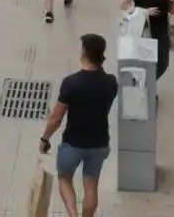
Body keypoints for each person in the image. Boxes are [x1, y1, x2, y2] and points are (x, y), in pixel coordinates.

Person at [39, 34, 118, 217]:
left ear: (84, 53)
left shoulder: (71, 83)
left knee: (64, 179)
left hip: (73, 143)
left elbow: (56, 118)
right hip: (99, 143)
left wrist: (45, 139)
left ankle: (73, 215)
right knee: (91, 184)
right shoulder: (111, 82)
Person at [121, 0, 173, 81]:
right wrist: (144, 12)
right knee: (148, 62)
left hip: (162, 28)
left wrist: (172, 2)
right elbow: (124, 6)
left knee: (163, 63)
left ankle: (145, 81)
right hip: (145, 30)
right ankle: (145, 84)